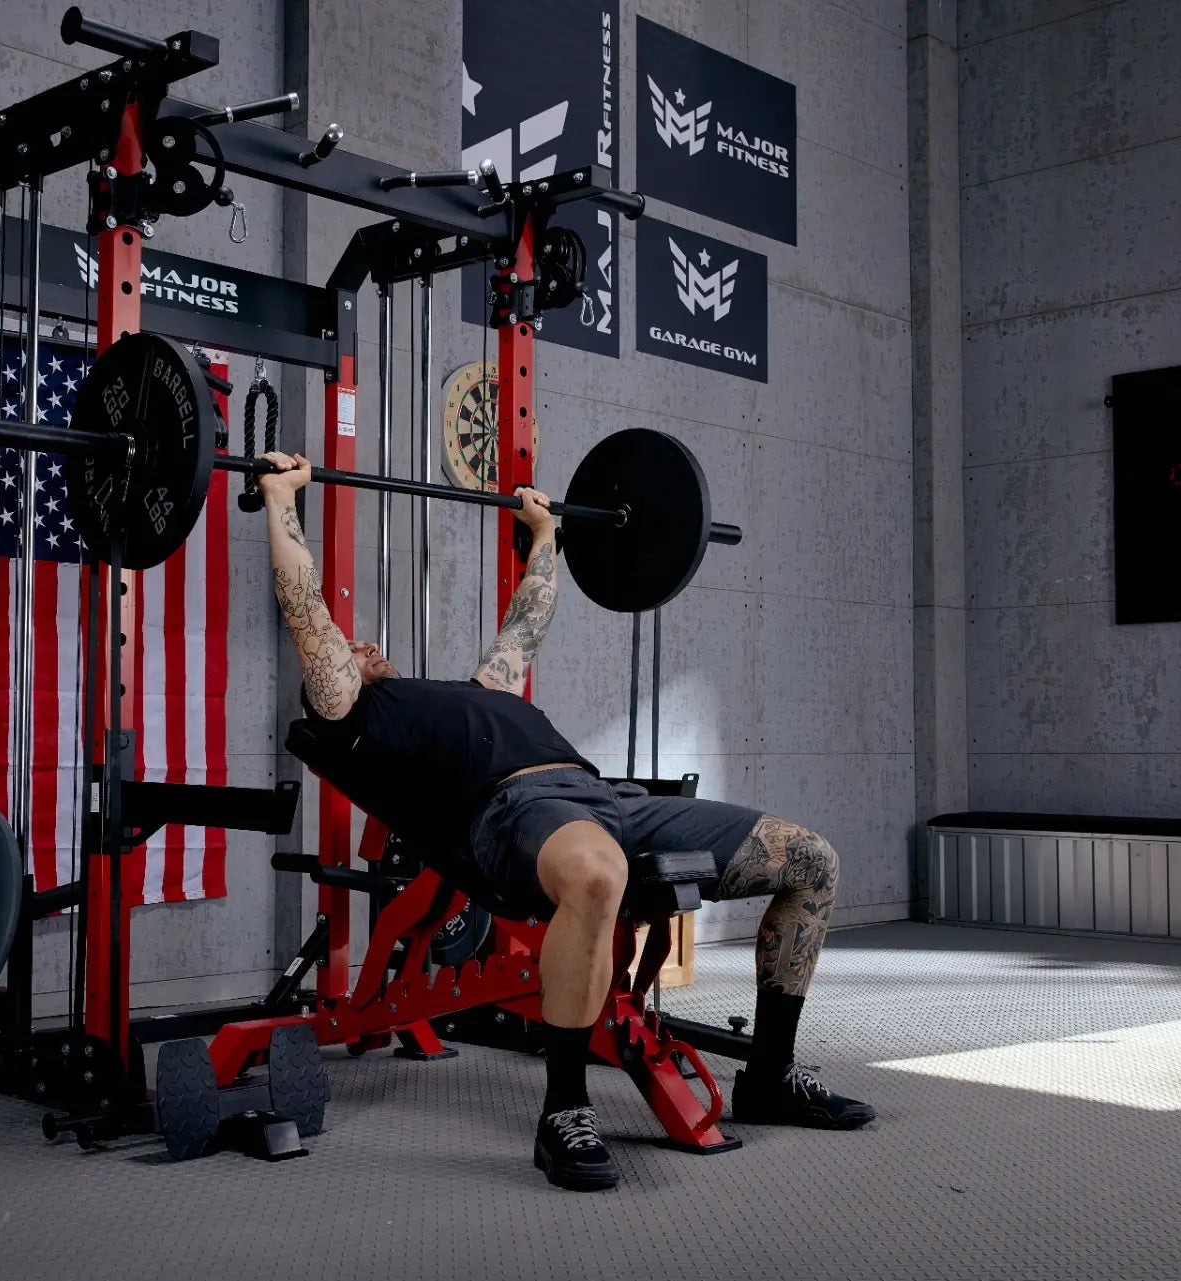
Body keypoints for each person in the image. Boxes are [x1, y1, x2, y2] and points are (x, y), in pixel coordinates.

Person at [258, 453, 874, 1192]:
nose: (359, 644)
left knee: (810, 859)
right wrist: (280, 497)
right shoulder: (359, 714)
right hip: (516, 811)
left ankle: (770, 1073)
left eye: (358, 645)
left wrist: (545, 535)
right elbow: (304, 606)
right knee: (597, 872)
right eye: (347, 650)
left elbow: (527, 625)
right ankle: (565, 1110)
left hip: (605, 799)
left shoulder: (475, 692)